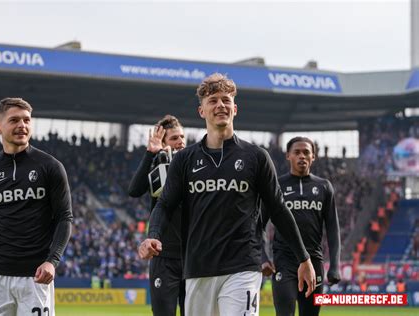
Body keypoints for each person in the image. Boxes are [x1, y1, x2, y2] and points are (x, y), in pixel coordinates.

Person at [138, 73, 316, 316]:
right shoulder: (184, 160)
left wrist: (304, 258)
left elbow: (278, 209)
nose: (220, 105)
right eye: (212, 100)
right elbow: (165, 204)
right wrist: (153, 235)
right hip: (198, 270)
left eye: (225, 100)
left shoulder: (256, 157)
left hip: (243, 267)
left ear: (235, 109)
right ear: (201, 111)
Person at [0, 97, 73, 316]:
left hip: (35, 277)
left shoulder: (51, 167)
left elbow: (64, 218)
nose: (23, 125)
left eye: (27, 120)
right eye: (14, 120)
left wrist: (52, 261)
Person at [261, 136, 341, 316]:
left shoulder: (324, 187)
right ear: (288, 155)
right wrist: (264, 257)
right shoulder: (276, 186)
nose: (302, 156)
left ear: (313, 157)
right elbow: (259, 224)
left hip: (314, 261)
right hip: (284, 261)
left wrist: (335, 265)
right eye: (297, 152)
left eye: (306, 152)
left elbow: (333, 229)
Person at [128, 115, 186, 316]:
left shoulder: (195, 166)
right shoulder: (155, 168)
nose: (181, 142)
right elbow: (134, 190)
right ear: (163, 144)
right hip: (163, 255)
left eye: (182, 137)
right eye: (174, 138)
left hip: (192, 256)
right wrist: (150, 154)